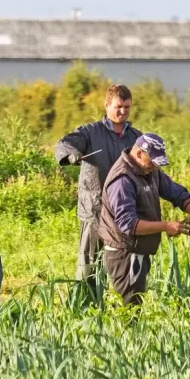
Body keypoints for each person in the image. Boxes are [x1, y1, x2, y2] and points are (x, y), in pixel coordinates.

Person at [55, 84, 142, 292]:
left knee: (122, 261)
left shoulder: (136, 138)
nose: (123, 112)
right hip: (94, 209)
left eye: (127, 107)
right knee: (89, 263)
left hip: (124, 212)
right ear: (107, 105)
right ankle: (84, 305)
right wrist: (72, 155)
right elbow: (64, 144)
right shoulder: (90, 132)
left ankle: (121, 305)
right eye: (118, 106)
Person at [99, 133, 190, 307]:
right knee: (128, 308)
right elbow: (128, 224)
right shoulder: (122, 179)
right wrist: (165, 226)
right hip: (124, 253)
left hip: (138, 249)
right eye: (152, 162)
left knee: (134, 302)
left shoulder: (148, 170)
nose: (155, 167)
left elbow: (174, 191)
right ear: (139, 154)